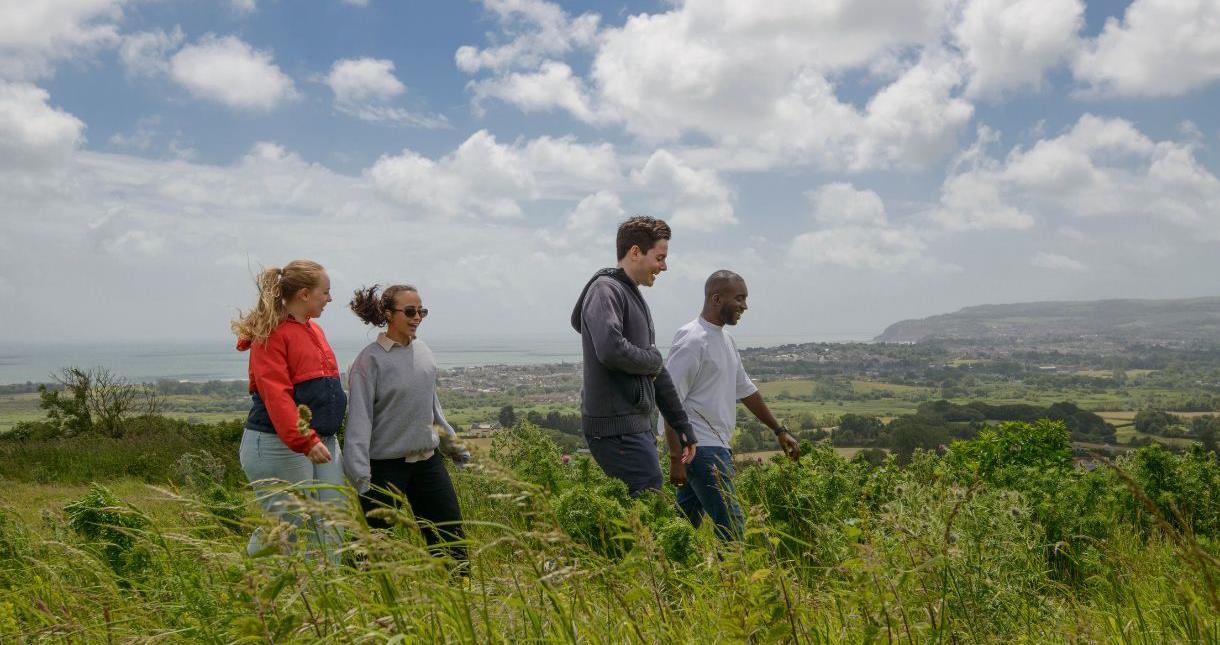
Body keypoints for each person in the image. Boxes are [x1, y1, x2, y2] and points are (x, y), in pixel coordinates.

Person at [662, 270, 800, 541]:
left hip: (712, 446)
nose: (745, 306)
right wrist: (675, 458)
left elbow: (746, 390)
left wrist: (778, 430)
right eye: (739, 299)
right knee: (733, 528)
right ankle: (737, 582)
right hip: (701, 448)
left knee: (680, 532)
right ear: (716, 299)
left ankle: (660, 574)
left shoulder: (725, 340)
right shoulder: (692, 340)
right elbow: (670, 400)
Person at [343, 283, 471, 568]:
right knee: (373, 547)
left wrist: (453, 446)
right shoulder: (369, 361)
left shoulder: (424, 352)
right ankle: (358, 597)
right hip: (384, 468)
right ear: (388, 314)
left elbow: (432, 408)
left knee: (452, 539)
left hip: (428, 462)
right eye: (410, 311)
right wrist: (360, 475)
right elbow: (359, 422)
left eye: (422, 311)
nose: (417, 317)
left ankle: (462, 594)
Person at [570, 216, 697, 496]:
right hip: (616, 428)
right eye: (660, 258)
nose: (664, 266)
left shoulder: (631, 296)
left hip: (633, 425)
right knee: (648, 503)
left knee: (642, 508)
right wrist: (652, 360)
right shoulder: (605, 290)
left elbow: (656, 371)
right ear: (636, 252)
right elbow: (612, 350)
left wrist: (682, 426)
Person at [231, 260, 347, 561]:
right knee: (289, 523)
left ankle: (328, 597)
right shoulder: (271, 334)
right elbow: (276, 395)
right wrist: (305, 440)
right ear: (305, 294)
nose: (330, 299)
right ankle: (249, 580)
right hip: (278, 444)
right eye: (326, 292)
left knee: (332, 519)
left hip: (322, 441)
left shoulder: (314, 330)